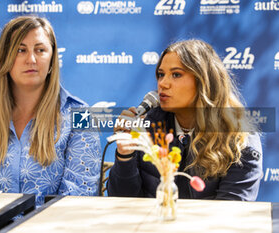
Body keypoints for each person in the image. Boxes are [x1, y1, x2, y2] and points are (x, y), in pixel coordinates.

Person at [0, 16, 101, 206]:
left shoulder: (81, 115)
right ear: (5, 57)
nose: (31, 59)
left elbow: (78, 199)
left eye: (40, 50)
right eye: (21, 50)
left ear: (52, 59)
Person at [107, 39, 262, 201]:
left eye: (176, 74)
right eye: (161, 75)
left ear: (204, 81)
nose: (163, 84)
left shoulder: (240, 136)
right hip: (150, 224)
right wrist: (125, 156)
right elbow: (122, 202)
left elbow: (231, 211)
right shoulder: (148, 125)